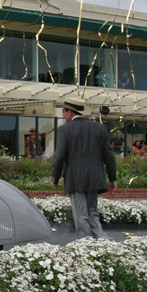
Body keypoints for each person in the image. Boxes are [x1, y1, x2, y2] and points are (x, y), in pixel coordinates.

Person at [51, 98, 117, 239]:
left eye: (64, 111)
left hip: (76, 178)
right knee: (92, 211)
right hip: (95, 176)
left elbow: (59, 156)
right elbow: (109, 155)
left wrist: (55, 178)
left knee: (80, 213)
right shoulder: (99, 128)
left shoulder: (65, 130)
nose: (63, 114)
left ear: (69, 112)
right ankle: (100, 240)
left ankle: (85, 243)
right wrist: (113, 178)